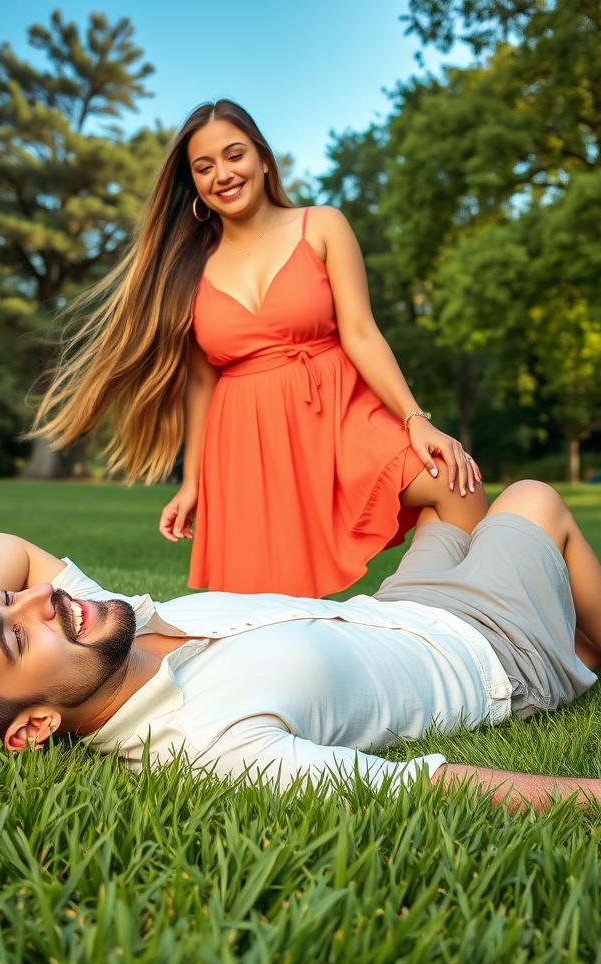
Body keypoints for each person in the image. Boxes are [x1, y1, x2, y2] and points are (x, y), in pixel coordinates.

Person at [0, 481, 601, 814]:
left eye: (11, 602)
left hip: (395, 607)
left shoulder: (97, 626)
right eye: (19, 631)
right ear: (31, 730)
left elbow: (8, 546)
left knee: (443, 506)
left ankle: (571, 619)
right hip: (486, 652)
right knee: (535, 501)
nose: (46, 598)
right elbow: (424, 785)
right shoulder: (206, 746)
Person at [30, 99, 485, 598]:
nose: (222, 174)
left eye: (234, 155)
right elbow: (201, 382)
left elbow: (361, 332)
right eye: (204, 167)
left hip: (339, 410)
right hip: (248, 436)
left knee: (452, 482)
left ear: (263, 159)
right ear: (194, 184)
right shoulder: (188, 270)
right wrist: (194, 481)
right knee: (267, 610)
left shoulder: (323, 225)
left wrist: (414, 418)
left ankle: (465, 623)